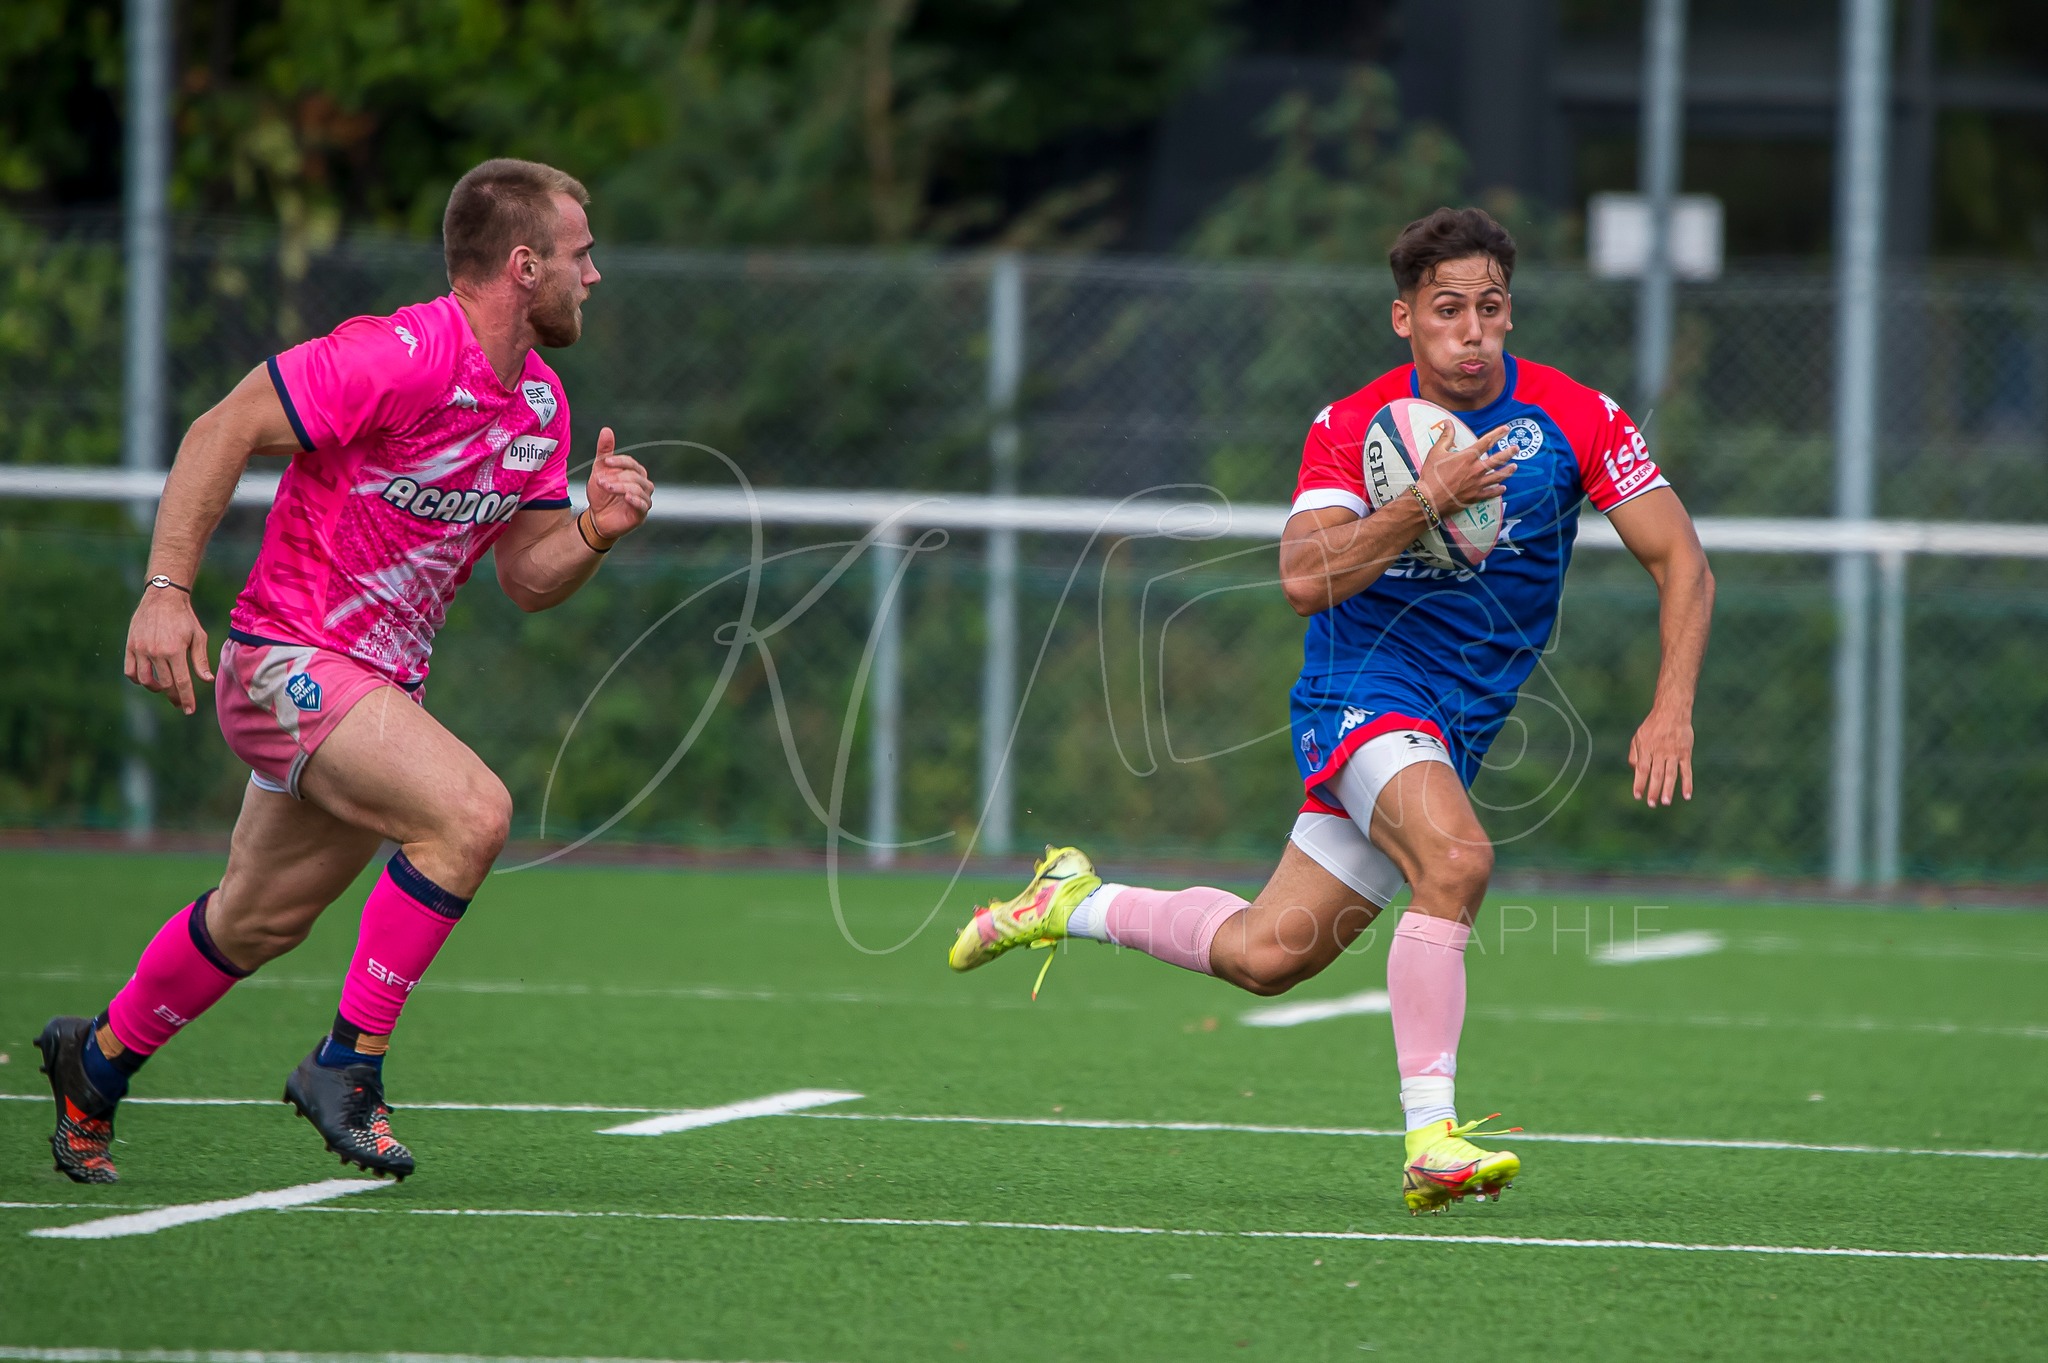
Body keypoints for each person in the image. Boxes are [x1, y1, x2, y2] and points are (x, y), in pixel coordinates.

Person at [947, 206, 1714, 1215]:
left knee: (1267, 954)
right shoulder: (1351, 427)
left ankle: (1070, 901)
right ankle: (1432, 1139)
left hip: (1458, 723)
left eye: (1489, 307)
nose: (1471, 330)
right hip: (1360, 692)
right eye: (1447, 309)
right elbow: (1304, 579)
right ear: (1404, 318)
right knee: (1457, 861)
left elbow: (1682, 560)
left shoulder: (1577, 416)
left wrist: (1670, 706)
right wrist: (1425, 499)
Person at [35, 158, 653, 1183]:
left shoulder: (539, 406)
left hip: (371, 691)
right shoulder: (398, 355)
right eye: (580, 255)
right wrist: (165, 589)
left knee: (259, 917)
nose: (593, 275)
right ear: (523, 263)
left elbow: (527, 578)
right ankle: (345, 1067)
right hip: (286, 659)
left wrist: (595, 526)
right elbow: (222, 426)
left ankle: (92, 1063)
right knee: (470, 813)